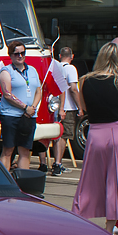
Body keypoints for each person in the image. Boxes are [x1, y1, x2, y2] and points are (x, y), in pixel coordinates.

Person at [71, 43, 118, 232]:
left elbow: (84, 108)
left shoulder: (84, 81)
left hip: (96, 133)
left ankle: (80, 220)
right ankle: (110, 229)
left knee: (89, 181)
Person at [0, 40, 41, 170]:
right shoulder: (6, 71)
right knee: (8, 150)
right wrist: (24, 107)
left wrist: (32, 107)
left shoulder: (32, 70)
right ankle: (4, 183)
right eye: (16, 54)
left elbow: (39, 91)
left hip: (28, 116)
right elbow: (7, 94)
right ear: (10, 55)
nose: (20, 56)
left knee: (25, 151)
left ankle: (23, 183)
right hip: (11, 115)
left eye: (22, 53)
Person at [52, 46, 80, 175]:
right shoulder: (71, 68)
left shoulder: (55, 66)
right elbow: (73, 89)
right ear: (72, 56)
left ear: (59, 55)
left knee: (56, 135)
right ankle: (58, 163)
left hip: (54, 106)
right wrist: (80, 107)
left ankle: (55, 162)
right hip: (68, 107)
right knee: (63, 136)